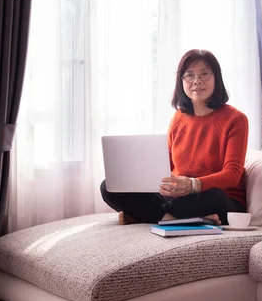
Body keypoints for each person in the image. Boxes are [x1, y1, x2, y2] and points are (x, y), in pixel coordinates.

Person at [100, 49, 249, 225]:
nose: (197, 81)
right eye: (189, 75)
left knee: (207, 197)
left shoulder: (236, 119)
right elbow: (168, 167)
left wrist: (193, 184)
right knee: (110, 186)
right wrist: (160, 184)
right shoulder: (178, 118)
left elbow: (232, 174)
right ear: (181, 81)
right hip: (178, 197)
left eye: (205, 74)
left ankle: (147, 215)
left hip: (220, 198)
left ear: (217, 77)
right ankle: (170, 218)